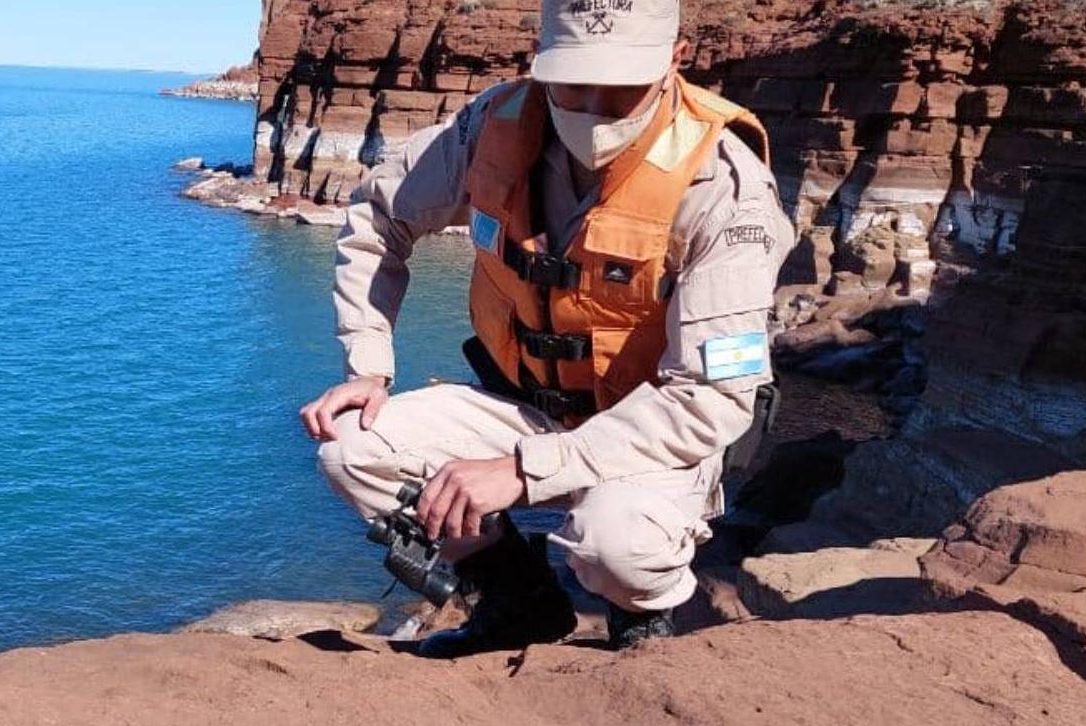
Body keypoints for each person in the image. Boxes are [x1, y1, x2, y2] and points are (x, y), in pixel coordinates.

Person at [300, 0, 795, 657]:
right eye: (572, 81)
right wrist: (369, 360)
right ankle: (518, 602)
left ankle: (639, 631)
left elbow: (710, 399)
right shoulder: (493, 128)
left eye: (620, 90)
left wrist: (520, 470)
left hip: (659, 434)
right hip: (533, 406)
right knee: (351, 447)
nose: (591, 108)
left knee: (612, 539)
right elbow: (378, 214)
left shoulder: (725, 190)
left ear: (674, 64)